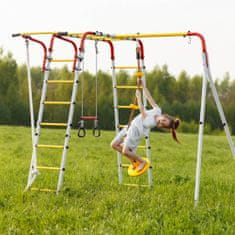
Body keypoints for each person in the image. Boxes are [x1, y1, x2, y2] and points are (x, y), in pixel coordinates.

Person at [111, 86, 180, 173]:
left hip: (134, 132)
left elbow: (142, 111)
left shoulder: (151, 123)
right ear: (166, 116)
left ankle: (142, 162)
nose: (162, 121)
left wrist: (139, 97)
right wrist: (143, 86)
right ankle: (133, 161)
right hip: (130, 125)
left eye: (163, 124)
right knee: (114, 144)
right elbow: (149, 97)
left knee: (125, 151)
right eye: (164, 120)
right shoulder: (158, 110)